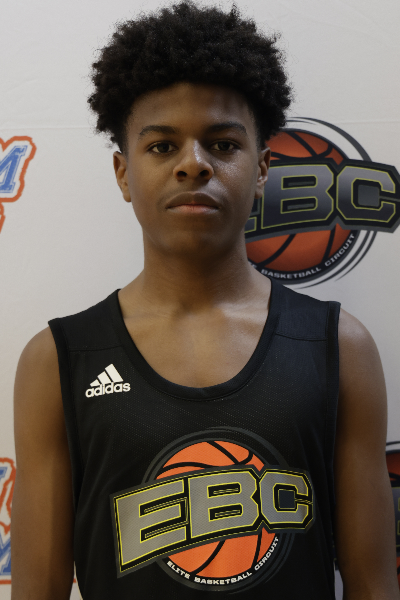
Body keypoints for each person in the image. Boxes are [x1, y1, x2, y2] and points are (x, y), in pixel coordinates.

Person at [11, 3, 398, 599]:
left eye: (221, 143)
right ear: (123, 173)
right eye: (162, 146)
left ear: (262, 169)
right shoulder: (57, 360)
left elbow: (373, 585)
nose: (193, 164)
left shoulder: (340, 348)